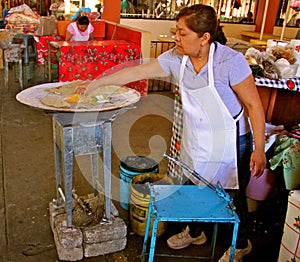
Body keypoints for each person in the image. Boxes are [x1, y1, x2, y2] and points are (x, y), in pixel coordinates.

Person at [75, 4, 266, 261]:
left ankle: (241, 244)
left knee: (231, 194)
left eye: (182, 33)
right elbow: (137, 71)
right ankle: (196, 231)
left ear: (204, 38)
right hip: (197, 137)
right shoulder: (176, 59)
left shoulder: (230, 62)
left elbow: (254, 106)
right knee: (194, 185)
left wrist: (259, 149)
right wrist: (97, 83)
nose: (175, 37)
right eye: (175, 31)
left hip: (231, 141)